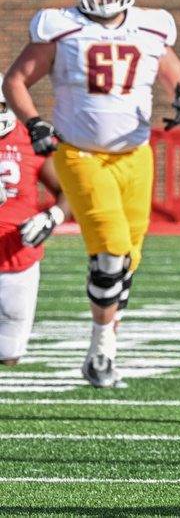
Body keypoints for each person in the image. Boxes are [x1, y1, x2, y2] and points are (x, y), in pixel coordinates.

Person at [2, 0, 180, 388]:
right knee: (110, 252)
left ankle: (102, 353)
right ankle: (101, 348)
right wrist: (34, 122)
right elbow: (15, 79)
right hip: (80, 154)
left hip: (136, 155)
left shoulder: (152, 27)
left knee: (127, 259)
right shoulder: (61, 28)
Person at [0, 75, 72, 365]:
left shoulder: (31, 140)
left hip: (19, 257)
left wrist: (52, 217)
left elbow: (68, 191)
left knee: (8, 355)